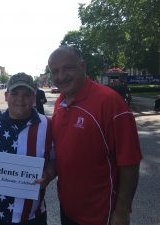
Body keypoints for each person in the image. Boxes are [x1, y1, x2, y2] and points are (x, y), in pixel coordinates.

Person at [42, 46, 142, 225]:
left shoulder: (110, 102)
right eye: (55, 71)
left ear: (83, 66)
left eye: (68, 68)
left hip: (101, 215)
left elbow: (130, 163)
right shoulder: (60, 102)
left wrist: (122, 211)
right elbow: (63, 151)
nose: (61, 76)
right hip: (68, 210)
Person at [0, 72, 53, 225]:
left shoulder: (48, 126)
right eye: (15, 93)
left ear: (34, 96)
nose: (20, 100)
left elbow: (55, 160)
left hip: (31, 217)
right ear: (6, 95)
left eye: (26, 94)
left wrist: (48, 174)